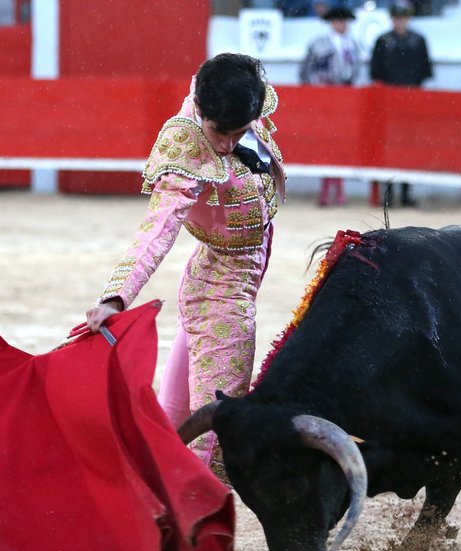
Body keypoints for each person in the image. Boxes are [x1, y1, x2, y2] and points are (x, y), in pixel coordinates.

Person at [82, 53, 286, 474]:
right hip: (222, 287)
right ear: (201, 111)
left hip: (217, 272)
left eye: (239, 133)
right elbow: (157, 229)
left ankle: (148, 487)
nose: (228, 144)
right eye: (218, 132)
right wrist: (116, 297)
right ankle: (190, 520)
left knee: (174, 416)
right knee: (215, 430)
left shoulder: (239, 98)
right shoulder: (185, 148)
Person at [369, 0, 432, 207]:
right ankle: (389, 194)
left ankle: (405, 193)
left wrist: (410, 95)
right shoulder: (383, 41)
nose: (400, 21)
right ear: (392, 19)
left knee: (408, 147)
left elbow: (424, 72)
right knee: (388, 147)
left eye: (403, 17)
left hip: (411, 103)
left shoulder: (418, 41)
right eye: (397, 18)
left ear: (408, 18)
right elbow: (375, 73)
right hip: (389, 103)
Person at [300, 6, 361, 207]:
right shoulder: (319, 45)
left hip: (345, 102)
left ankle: (339, 190)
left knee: (341, 145)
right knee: (327, 145)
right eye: (337, 21)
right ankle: (326, 191)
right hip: (325, 103)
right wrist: (321, 93)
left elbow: (354, 74)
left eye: (343, 21)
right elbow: (306, 73)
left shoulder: (352, 45)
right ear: (331, 23)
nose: (340, 24)